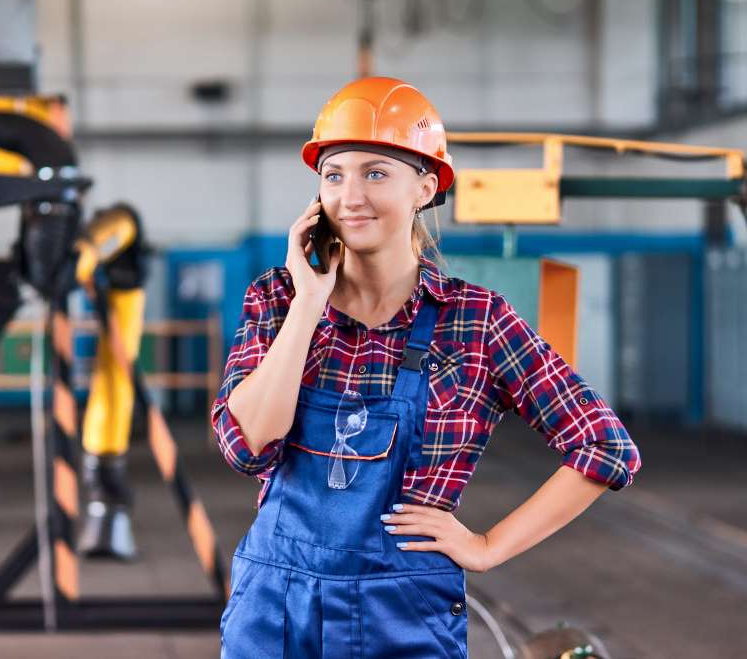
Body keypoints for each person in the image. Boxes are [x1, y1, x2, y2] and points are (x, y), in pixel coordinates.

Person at [211, 76, 642, 658]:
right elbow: (248, 447)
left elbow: (605, 447)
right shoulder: (278, 300)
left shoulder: (475, 321)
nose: (351, 196)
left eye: (376, 173)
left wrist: (488, 546)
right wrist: (309, 302)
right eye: (334, 175)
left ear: (426, 185)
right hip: (275, 611)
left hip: (403, 617)